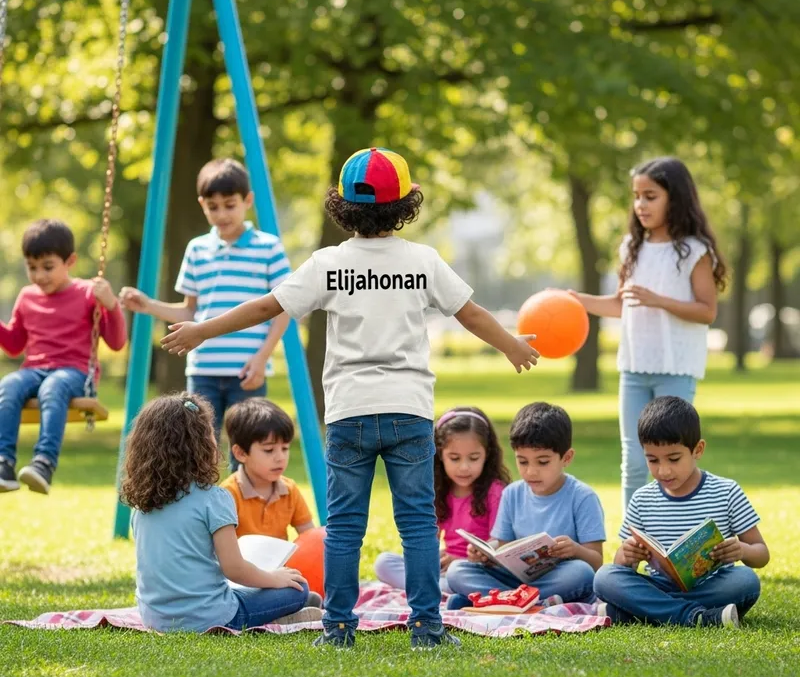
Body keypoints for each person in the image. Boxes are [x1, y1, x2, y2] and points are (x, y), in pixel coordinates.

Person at [161, 146, 540, 649]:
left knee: (343, 528)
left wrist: (203, 329)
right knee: (418, 525)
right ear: (405, 202)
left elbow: (264, 308)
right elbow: (469, 314)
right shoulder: (422, 261)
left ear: (343, 204)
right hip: (407, 412)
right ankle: (427, 627)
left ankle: (338, 627)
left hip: (349, 414)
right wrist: (511, 344)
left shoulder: (328, 263)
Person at [569, 157, 728, 510]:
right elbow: (621, 304)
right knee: (635, 462)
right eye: (637, 196)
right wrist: (575, 301)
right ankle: (633, 541)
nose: (640, 204)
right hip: (634, 368)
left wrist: (659, 300)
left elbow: (707, 310)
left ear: (676, 198)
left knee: (674, 461)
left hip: (676, 369)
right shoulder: (631, 247)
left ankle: (674, 533)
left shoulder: (694, 251)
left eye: (650, 196)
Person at [119, 158, 290, 466]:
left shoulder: (268, 248)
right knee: (200, 450)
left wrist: (263, 357)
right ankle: (203, 511)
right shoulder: (197, 249)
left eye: (229, 204)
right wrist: (147, 305)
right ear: (202, 204)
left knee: (247, 451)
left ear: (247, 201)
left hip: (247, 369)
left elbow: (283, 309)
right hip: (202, 370)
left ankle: (242, 510)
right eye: (213, 206)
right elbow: (190, 313)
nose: (221, 213)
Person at [121, 393, 322, 632]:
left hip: (154, 618)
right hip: (212, 617)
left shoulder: (142, 504)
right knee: (297, 590)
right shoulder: (213, 498)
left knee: (268, 585)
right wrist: (274, 578)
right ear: (201, 445)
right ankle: (283, 613)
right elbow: (234, 569)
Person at [594, 396, 769, 628]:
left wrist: (742, 550)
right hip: (660, 585)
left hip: (712, 585)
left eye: (674, 459)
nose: (663, 470)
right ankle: (698, 617)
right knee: (605, 577)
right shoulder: (642, 498)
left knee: (745, 580)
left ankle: (642, 612)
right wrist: (626, 556)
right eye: (652, 460)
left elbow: (761, 554)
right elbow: (623, 567)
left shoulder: (726, 492)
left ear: (698, 450)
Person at [0, 219, 127, 494]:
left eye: (48, 267)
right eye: (32, 268)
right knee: (8, 385)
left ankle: (44, 463)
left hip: (75, 371)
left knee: (53, 387)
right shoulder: (26, 297)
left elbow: (116, 343)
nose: (39, 276)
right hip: (34, 368)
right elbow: (13, 345)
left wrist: (111, 305)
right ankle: (4, 462)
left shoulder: (86, 293)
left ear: (69, 261)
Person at [446, 402, 605, 607]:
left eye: (543, 462)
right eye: (523, 461)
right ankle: (527, 603)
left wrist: (575, 550)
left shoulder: (582, 496)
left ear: (566, 458)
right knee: (457, 571)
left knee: (581, 573)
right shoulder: (512, 493)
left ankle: (497, 601)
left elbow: (596, 562)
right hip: (516, 580)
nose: (531, 471)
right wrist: (485, 553)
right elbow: (502, 546)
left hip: (557, 577)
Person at [374, 406, 511, 594]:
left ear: (487, 455)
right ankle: (436, 589)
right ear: (440, 455)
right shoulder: (437, 491)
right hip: (445, 569)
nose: (464, 467)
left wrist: (460, 560)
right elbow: (428, 539)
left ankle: (434, 589)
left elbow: (498, 545)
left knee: (457, 574)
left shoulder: (495, 492)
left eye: (473, 458)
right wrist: (430, 557)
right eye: (455, 458)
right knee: (384, 563)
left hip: (478, 569)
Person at [221, 398, 316, 540]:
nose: (280, 458)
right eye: (269, 450)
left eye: (285, 448)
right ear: (241, 453)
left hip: (280, 562)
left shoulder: (290, 491)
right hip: (239, 562)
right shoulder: (228, 495)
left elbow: (310, 537)